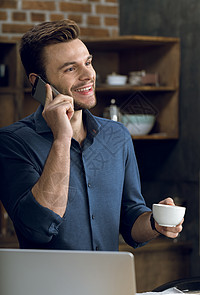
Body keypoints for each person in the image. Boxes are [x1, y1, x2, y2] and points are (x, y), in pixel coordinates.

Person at [0, 19, 183, 250]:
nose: (88, 75)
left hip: (106, 282)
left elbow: (131, 220)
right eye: (70, 68)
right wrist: (62, 138)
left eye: (88, 62)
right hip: (47, 285)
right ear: (38, 83)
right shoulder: (12, 142)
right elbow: (38, 226)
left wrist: (155, 223)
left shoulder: (117, 136)